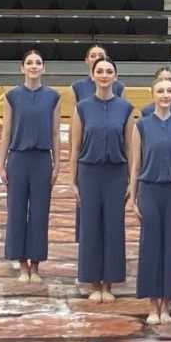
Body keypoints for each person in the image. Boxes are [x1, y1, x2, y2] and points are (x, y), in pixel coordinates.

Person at [70, 57, 134, 302]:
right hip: (89, 173)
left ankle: (109, 284)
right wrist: (72, 180)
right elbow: (75, 147)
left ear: (115, 77)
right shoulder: (82, 108)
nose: (105, 75)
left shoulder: (126, 109)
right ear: (93, 75)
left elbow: (130, 147)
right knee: (90, 228)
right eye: (100, 71)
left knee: (113, 228)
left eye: (109, 71)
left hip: (116, 174)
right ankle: (94, 283)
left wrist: (132, 180)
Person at [129, 77, 171, 325]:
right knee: (150, 247)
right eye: (160, 91)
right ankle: (152, 303)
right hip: (150, 191)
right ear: (152, 94)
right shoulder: (142, 126)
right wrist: (133, 198)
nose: (165, 95)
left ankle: (167, 303)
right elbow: (136, 165)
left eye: (169, 91)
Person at [0, 50, 60, 283]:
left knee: (39, 213)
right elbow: (6, 131)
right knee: (16, 211)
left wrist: (57, 163)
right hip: (18, 159)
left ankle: (35, 264)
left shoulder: (53, 97)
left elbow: (55, 132)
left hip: (42, 160)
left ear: (43, 68)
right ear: (21, 68)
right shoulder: (12, 96)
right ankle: (21, 263)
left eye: (38, 63)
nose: (34, 66)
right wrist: (1, 163)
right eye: (29, 63)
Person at [70, 45, 123, 243]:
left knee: (113, 225)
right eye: (93, 56)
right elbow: (75, 141)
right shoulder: (80, 96)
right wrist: (72, 175)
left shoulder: (122, 102)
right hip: (89, 161)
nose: (103, 74)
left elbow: (125, 140)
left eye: (101, 57)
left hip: (114, 166)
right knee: (88, 223)